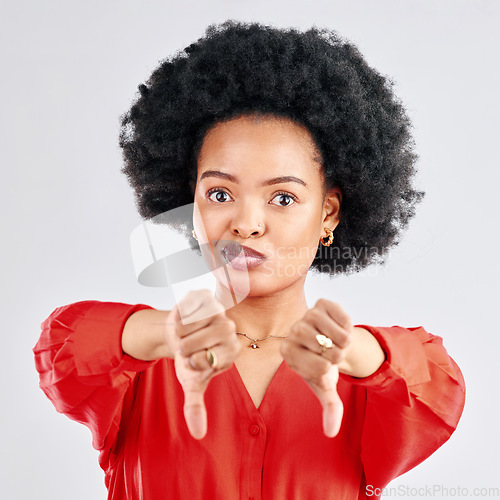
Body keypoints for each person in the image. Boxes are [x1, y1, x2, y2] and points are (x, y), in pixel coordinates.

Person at [34, 20, 466, 500]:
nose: (246, 224)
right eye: (220, 193)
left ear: (329, 213)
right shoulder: (137, 371)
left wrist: (351, 352)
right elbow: (65, 348)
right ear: (188, 203)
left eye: (282, 198)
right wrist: (165, 333)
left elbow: (434, 388)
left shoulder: (368, 383)